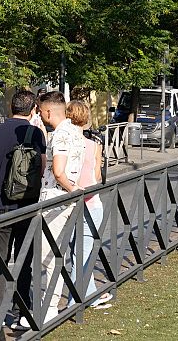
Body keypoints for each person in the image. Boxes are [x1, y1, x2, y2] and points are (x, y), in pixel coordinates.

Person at [0, 90, 46, 328]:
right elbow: (41, 169)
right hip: (26, 205)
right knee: (24, 259)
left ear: (11, 107)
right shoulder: (35, 133)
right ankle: (21, 313)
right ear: (33, 109)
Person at [36, 90, 84, 323]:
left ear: (48, 112)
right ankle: (49, 305)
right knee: (56, 254)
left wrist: (71, 189)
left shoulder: (60, 134)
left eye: (40, 111)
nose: (39, 115)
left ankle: (48, 307)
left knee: (48, 255)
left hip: (55, 198)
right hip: (65, 198)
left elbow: (58, 171)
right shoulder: (75, 131)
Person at [65, 100, 113, 310]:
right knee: (82, 254)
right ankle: (74, 302)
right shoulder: (93, 144)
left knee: (77, 252)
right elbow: (96, 176)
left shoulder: (61, 142)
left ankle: (89, 295)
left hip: (68, 202)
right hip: (90, 202)